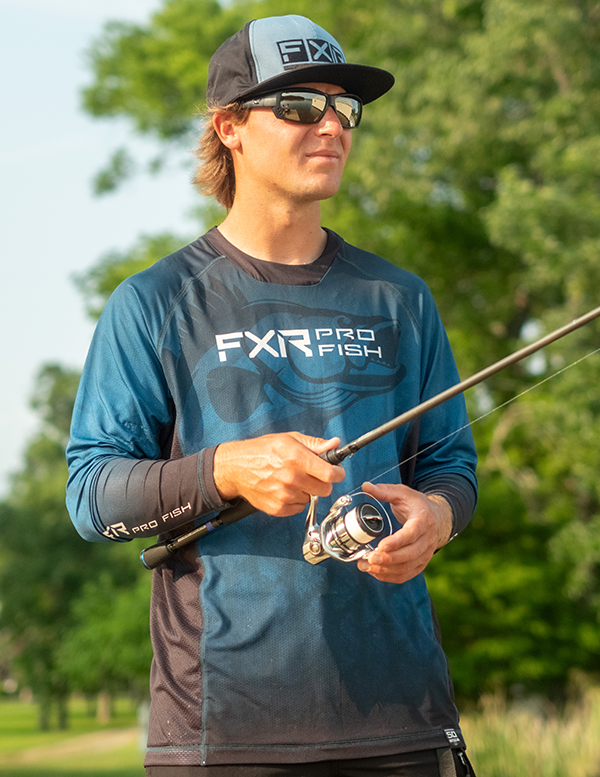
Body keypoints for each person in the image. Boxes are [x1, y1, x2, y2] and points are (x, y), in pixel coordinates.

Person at [66, 14, 478, 777]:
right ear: (230, 127)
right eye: (297, 106)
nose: (331, 124)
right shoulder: (153, 303)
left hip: (402, 727)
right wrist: (224, 470)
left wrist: (439, 516)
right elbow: (91, 494)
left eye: (343, 108)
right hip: (223, 738)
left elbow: (452, 465)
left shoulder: (401, 299)